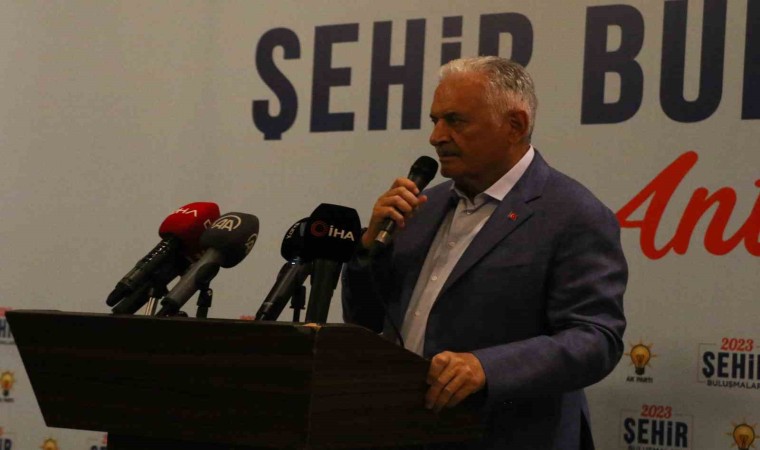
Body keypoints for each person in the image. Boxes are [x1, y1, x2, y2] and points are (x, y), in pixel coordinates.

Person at [341, 56, 627, 450]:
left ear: (515, 126)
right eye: (434, 120)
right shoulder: (421, 208)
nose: (436, 136)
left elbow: (595, 339)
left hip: (510, 436)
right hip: (406, 430)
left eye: (455, 121)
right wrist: (368, 250)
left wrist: (486, 368)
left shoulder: (573, 214)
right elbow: (365, 320)